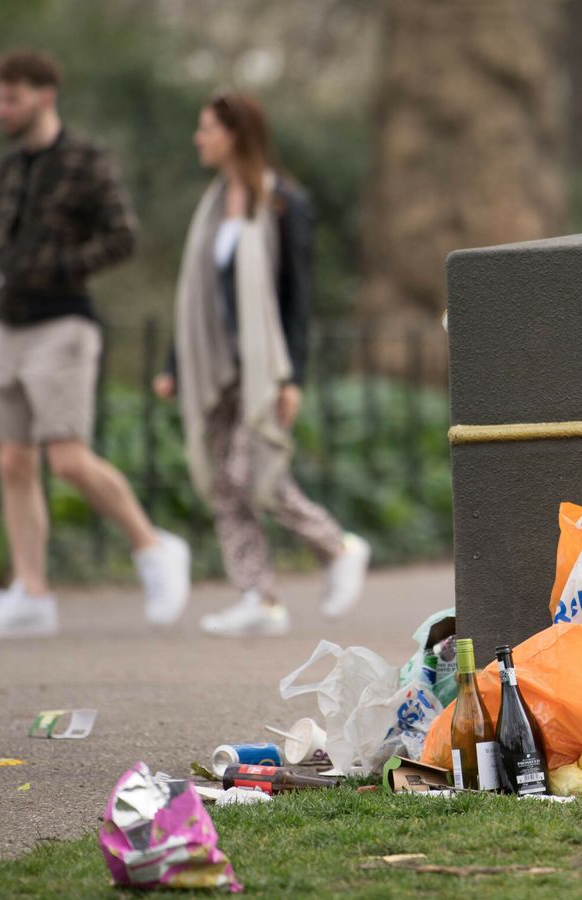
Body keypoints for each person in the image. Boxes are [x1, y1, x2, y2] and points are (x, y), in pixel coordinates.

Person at [0, 50, 191, 639]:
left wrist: (58, 268)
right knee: (12, 459)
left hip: (64, 321)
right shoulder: (8, 167)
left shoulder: (87, 158)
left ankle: (154, 547)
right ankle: (31, 594)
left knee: (65, 458)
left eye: (11, 98)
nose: (1, 109)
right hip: (8, 322)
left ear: (44, 95)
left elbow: (122, 236)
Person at [153, 92, 370, 637]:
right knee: (222, 483)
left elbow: (298, 297)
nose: (198, 139)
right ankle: (258, 597)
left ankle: (337, 546)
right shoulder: (210, 207)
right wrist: (175, 363)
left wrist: (291, 376)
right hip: (217, 365)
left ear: (237, 134)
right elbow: (197, 298)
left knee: (255, 476)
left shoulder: (284, 204)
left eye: (207, 130)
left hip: (262, 367)